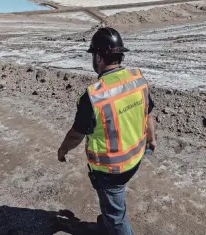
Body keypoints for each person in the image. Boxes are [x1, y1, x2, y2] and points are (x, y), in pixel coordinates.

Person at [58, 27, 156, 235]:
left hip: (111, 170)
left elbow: (76, 134)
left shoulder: (93, 96)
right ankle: (106, 224)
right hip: (135, 157)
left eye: (94, 55)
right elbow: (148, 114)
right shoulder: (137, 79)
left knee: (117, 216)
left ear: (99, 57)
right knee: (111, 204)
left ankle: (112, 226)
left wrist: (62, 150)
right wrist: (152, 140)